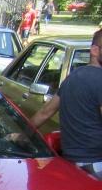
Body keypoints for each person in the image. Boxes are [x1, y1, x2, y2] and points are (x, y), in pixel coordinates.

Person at [28, 29, 102, 179]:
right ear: (94, 50)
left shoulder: (72, 77)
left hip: (72, 163)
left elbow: (45, 112)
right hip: (96, 162)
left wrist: (23, 134)